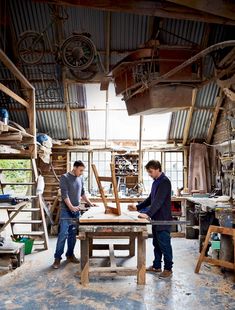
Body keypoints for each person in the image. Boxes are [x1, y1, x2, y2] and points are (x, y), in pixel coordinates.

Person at [128, 160, 173, 279]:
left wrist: (147, 214)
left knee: (164, 244)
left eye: (151, 172)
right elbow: (150, 199)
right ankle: (157, 266)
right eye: (148, 172)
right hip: (156, 218)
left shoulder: (164, 182)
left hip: (163, 219)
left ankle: (168, 269)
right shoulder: (156, 182)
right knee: (156, 244)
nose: (150, 174)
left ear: (157, 169)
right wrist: (137, 207)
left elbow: (158, 202)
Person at [53, 160, 96, 269]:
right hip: (66, 211)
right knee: (63, 235)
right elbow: (64, 195)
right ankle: (57, 258)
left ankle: (70, 255)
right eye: (80, 170)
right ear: (75, 168)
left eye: (83, 171)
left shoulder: (80, 178)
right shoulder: (65, 177)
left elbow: (82, 193)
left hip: (76, 211)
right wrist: (71, 207)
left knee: (73, 235)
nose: (81, 173)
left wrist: (90, 203)